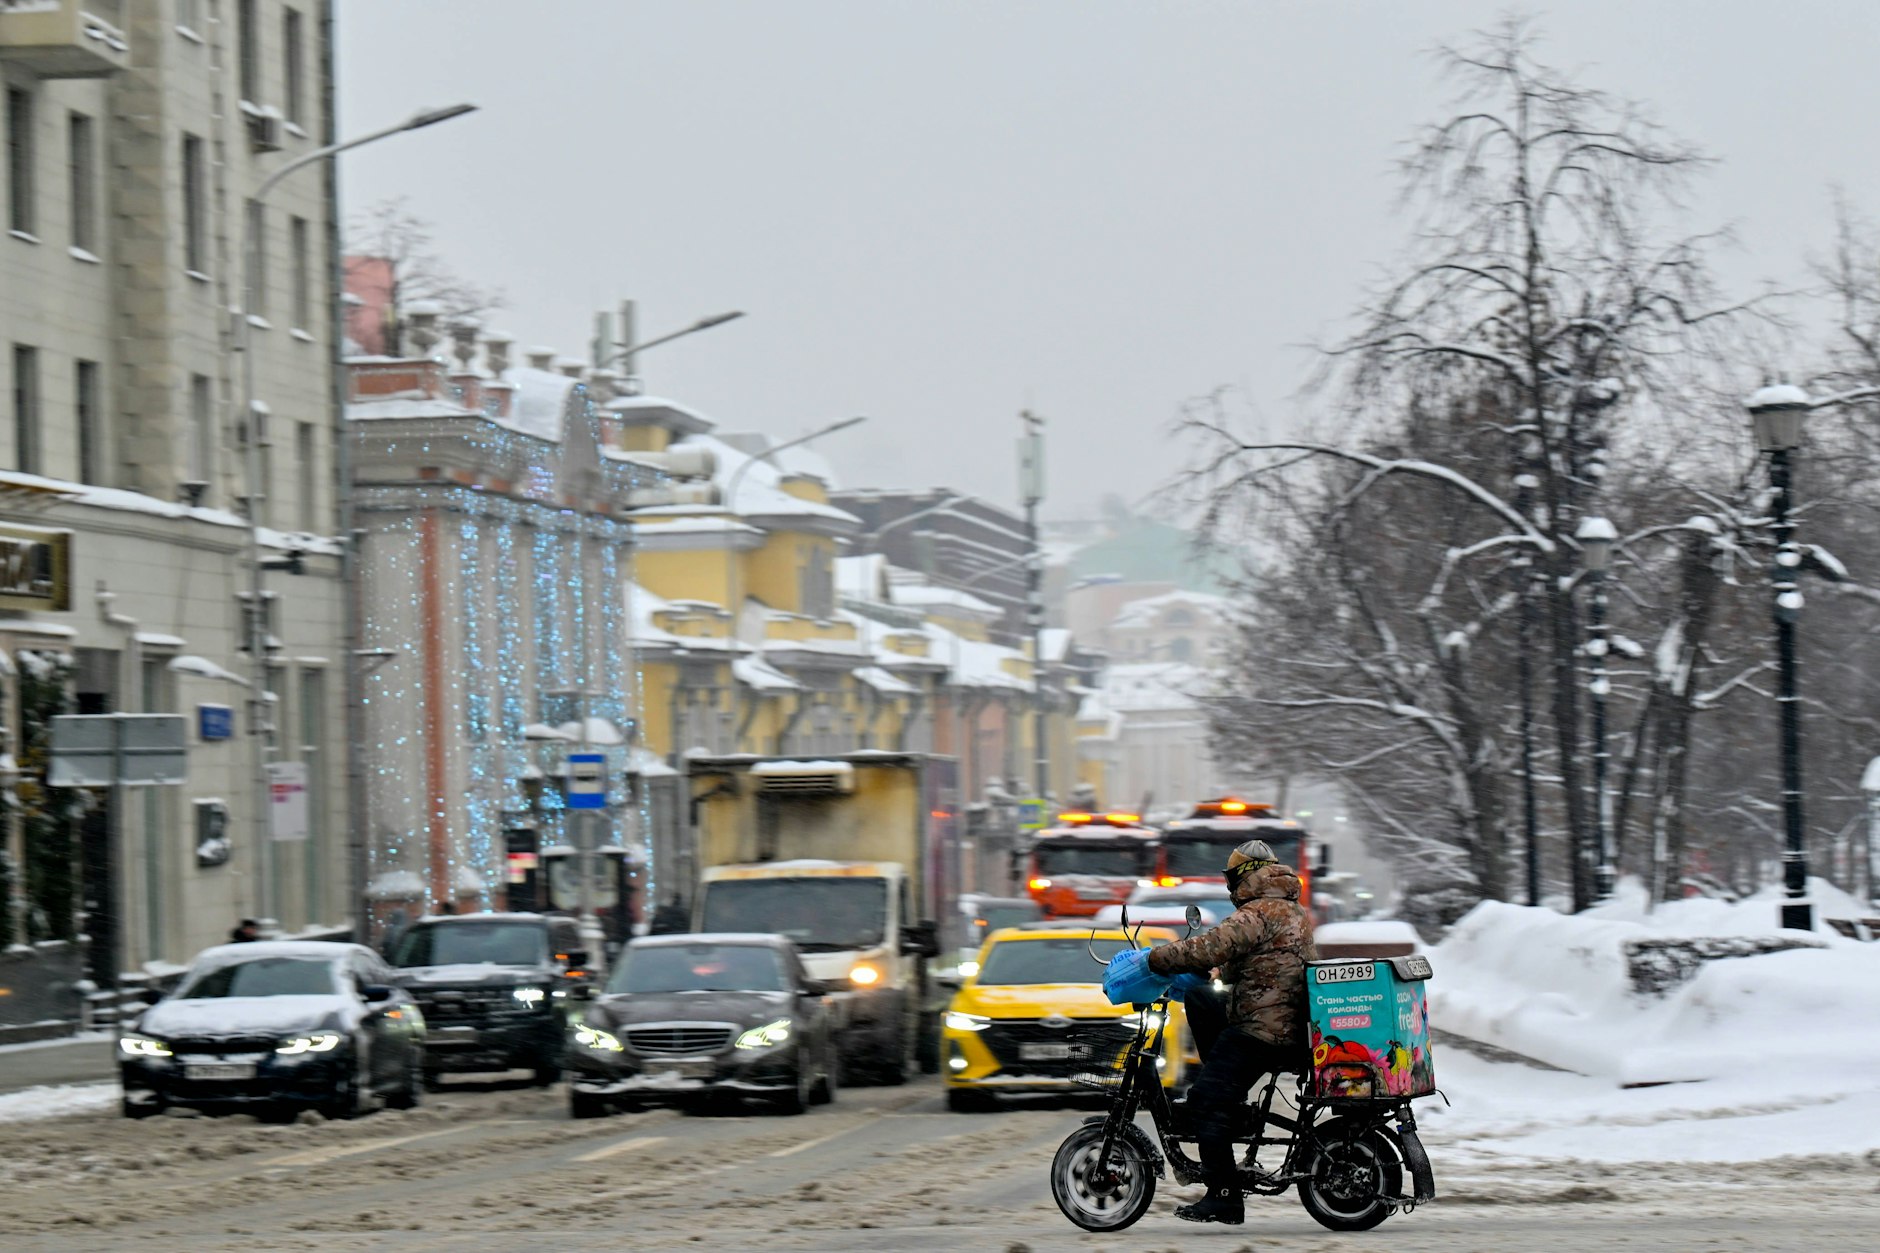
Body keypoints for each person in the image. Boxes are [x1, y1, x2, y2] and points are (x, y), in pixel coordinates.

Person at [1143, 840, 1316, 1226]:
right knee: (1203, 999)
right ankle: (1227, 1100)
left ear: (1243, 876)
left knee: (1205, 1101)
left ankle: (1224, 1195)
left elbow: (1210, 947)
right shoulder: (1287, 907)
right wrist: (1216, 975)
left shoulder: (1260, 910)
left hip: (1265, 1029)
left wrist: (1152, 958)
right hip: (1280, 1019)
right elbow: (1244, 963)